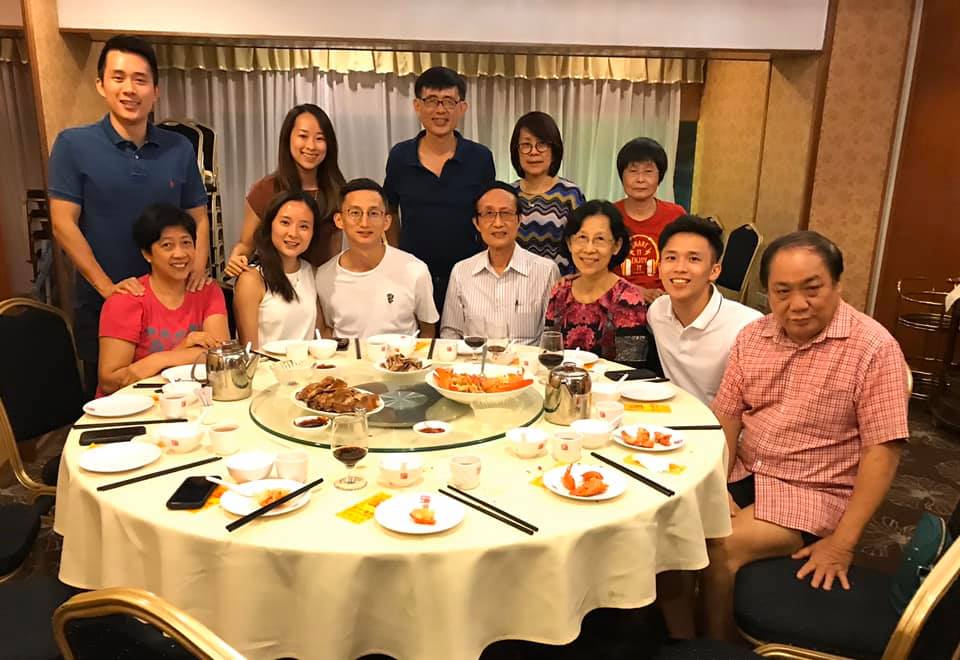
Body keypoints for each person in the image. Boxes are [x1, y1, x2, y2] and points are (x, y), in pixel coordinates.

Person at [702, 231, 908, 641]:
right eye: (782, 292)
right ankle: (678, 632)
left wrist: (842, 543)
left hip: (814, 490)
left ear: (837, 284)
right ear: (768, 293)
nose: (797, 305)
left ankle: (715, 646)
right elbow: (726, 417)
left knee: (719, 547)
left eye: (812, 289)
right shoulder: (753, 336)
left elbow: (882, 452)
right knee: (674, 522)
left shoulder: (874, 348)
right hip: (748, 471)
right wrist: (717, 484)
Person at [49, 35, 209, 397]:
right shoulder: (73, 145)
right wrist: (108, 288)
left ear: (155, 91)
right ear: (101, 85)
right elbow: (63, 223)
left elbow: (198, 216)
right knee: (112, 404)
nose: (129, 89)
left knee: (183, 402)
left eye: (140, 79)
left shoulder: (179, 147)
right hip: (106, 309)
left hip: (172, 311)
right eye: (118, 77)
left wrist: (197, 270)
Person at [383, 66, 495, 311]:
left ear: (462, 107)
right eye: (432, 101)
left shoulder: (480, 157)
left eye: (449, 102)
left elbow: (488, 214)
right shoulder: (400, 156)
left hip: (468, 277)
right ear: (417, 106)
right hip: (411, 276)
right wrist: (396, 255)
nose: (440, 110)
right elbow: (389, 209)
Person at [98, 204, 229, 395]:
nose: (180, 254)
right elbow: (110, 382)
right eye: (167, 245)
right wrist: (186, 349)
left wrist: (158, 360)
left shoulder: (206, 291)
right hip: (133, 403)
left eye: (186, 243)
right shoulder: (126, 300)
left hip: (191, 398)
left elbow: (220, 358)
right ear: (147, 254)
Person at [647, 215, 762, 405]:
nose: (680, 268)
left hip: (720, 421)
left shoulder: (746, 327)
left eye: (693, 259)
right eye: (671, 258)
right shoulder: (657, 312)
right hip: (670, 415)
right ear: (659, 268)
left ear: (714, 271)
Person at [225, 104, 345, 276]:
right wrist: (237, 259)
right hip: (274, 284)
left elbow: (335, 252)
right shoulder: (265, 190)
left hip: (320, 285)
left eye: (320, 138)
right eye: (303, 136)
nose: (311, 146)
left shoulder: (337, 191)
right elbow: (245, 246)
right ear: (288, 138)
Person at [316, 178, 439, 339]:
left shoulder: (415, 270)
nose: (364, 223)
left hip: (400, 355)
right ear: (339, 220)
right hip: (347, 355)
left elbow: (428, 331)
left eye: (373, 213)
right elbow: (327, 330)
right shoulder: (324, 276)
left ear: (386, 221)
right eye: (355, 213)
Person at [441, 182, 560, 345]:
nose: (498, 223)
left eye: (506, 213)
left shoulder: (546, 271)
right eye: (489, 213)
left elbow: (553, 335)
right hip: (475, 360)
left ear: (519, 219)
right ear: (476, 223)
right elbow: (450, 333)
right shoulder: (461, 271)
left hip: (526, 361)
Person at [546, 200, 646, 360]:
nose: (589, 249)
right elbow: (550, 353)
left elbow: (631, 364)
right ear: (569, 243)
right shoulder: (561, 292)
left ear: (617, 245)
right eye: (582, 237)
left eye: (599, 239)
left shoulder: (628, 298)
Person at [233, 191, 321, 349]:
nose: (293, 233)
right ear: (270, 225)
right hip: (265, 364)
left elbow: (320, 336)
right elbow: (249, 351)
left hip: (309, 364)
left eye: (304, 226)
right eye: (285, 223)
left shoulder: (313, 273)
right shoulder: (252, 280)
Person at [509, 111, 585, 274]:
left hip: (560, 283)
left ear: (554, 150)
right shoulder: (508, 194)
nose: (533, 152)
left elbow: (583, 247)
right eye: (526, 145)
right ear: (516, 151)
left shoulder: (570, 194)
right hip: (513, 283)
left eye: (542, 144)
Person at [614, 137, 685, 302]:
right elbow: (598, 269)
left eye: (648, 172)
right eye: (633, 171)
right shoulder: (609, 215)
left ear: (660, 177)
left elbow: (684, 262)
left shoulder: (676, 215)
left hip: (667, 300)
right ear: (622, 176)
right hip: (617, 300)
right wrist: (637, 291)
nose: (640, 179)